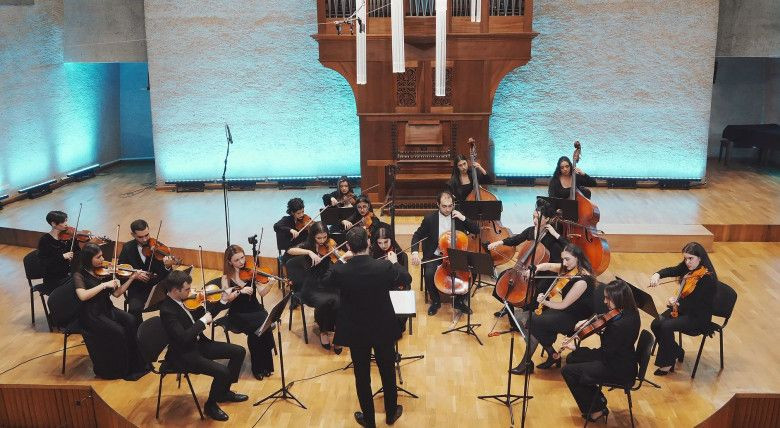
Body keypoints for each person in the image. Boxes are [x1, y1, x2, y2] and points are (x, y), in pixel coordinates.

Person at [322, 227, 410, 428]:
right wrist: (395, 263)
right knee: (387, 371)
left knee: (361, 376)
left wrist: (341, 259)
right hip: (383, 326)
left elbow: (325, 281)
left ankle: (369, 420)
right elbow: (406, 279)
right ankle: (391, 414)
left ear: (349, 246)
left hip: (356, 329)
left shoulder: (341, 270)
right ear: (369, 243)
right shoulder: (384, 266)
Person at [159, 270, 246, 422]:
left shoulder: (186, 300)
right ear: (175, 291)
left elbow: (207, 315)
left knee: (239, 351)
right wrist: (202, 322)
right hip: (184, 354)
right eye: (187, 289)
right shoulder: (167, 311)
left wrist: (223, 301)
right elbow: (183, 339)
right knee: (223, 372)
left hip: (199, 343)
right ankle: (210, 405)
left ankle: (223, 393)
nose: (191, 292)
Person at [561, 279, 640, 423]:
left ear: (619, 298)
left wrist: (576, 348)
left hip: (617, 369)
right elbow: (612, 337)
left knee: (568, 371)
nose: (605, 301)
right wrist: (594, 324)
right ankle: (597, 400)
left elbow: (603, 355)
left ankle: (596, 409)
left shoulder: (618, 326)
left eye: (608, 298)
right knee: (572, 359)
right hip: (625, 359)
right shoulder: (632, 312)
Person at [511, 243, 595, 375]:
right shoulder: (570, 269)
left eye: (567, 259)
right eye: (563, 259)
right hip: (567, 311)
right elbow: (548, 266)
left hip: (575, 317)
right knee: (534, 320)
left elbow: (563, 305)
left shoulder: (582, 280)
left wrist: (544, 301)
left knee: (534, 321)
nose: (564, 263)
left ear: (577, 258)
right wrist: (536, 268)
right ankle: (550, 355)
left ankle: (529, 363)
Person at [73, 243, 147, 380]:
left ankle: (134, 362)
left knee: (131, 320)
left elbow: (117, 293)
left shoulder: (104, 272)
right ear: (89, 259)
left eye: (102, 256)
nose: (102, 259)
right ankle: (120, 368)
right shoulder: (79, 274)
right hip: (92, 314)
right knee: (119, 331)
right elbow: (82, 296)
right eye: (98, 257)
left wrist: (131, 278)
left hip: (107, 308)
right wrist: (103, 285)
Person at [487, 200, 568, 317]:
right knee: (503, 277)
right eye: (533, 217)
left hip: (545, 271)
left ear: (547, 219)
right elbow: (516, 239)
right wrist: (499, 242)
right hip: (526, 267)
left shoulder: (552, 237)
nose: (534, 220)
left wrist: (556, 234)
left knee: (537, 290)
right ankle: (508, 307)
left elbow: (569, 247)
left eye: (538, 218)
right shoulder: (530, 230)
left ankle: (538, 313)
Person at [649, 242, 717, 376]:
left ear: (700, 258)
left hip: (698, 317)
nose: (687, 262)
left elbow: (697, 304)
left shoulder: (707, 278)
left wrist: (677, 302)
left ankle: (667, 363)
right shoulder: (688, 267)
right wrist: (657, 274)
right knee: (656, 323)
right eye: (685, 258)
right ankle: (676, 351)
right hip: (683, 310)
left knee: (666, 326)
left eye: (690, 258)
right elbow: (673, 270)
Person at [410, 190, 479, 316]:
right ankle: (436, 301)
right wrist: (414, 252)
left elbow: (476, 230)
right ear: (438, 204)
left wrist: (463, 218)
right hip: (435, 255)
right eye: (444, 206)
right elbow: (417, 235)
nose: (448, 209)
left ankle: (459, 301)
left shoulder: (458, 216)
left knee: (473, 270)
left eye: (450, 206)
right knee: (429, 273)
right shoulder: (430, 219)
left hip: (456, 255)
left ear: (454, 204)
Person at [286, 221, 344, 352]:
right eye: (319, 238)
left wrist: (339, 256)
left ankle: (337, 333)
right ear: (313, 236)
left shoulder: (329, 244)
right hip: (312, 285)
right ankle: (323, 331)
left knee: (339, 300)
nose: (322, 240)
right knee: (325, 301)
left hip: (328, 281)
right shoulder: (308, 246)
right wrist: (309, 252)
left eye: (325, 237)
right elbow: (289, 250)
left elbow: (337, 261)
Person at [221, 245, 276, 380]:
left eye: (242, 258)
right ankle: (257, 367)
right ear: (229, 262)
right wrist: (240, 291)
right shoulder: (226, 278)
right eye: (237, 260)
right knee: (258, 329)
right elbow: (225, 299)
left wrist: (270, 284)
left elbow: (262, 293)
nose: (241, 262)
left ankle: (266, 365)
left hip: (255, 308)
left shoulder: (251, 271)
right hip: (239, 314)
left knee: (264, 325)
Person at [117, 219, 174, 325]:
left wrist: (167, 267)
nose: (144, 239)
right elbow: (120, 271)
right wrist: (134, 275)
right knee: (134, 310)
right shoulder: (127, 248)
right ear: (133, 235)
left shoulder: (158, 247)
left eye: (147, 235)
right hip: (137, 289)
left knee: (175, 303)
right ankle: (138, 333)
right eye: (140, 237)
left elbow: (166, 275)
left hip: (156, 287)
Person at [37, 210, 78, 295]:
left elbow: (77, 253)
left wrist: (75, 241)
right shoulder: (45, 241)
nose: (66, 224)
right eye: (63, 222)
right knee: (79, 285)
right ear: (53, 224)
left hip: (68, 274)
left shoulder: (68, 238)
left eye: (66, 221)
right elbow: (44, 263)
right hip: (54, 279)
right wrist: (62, 257)